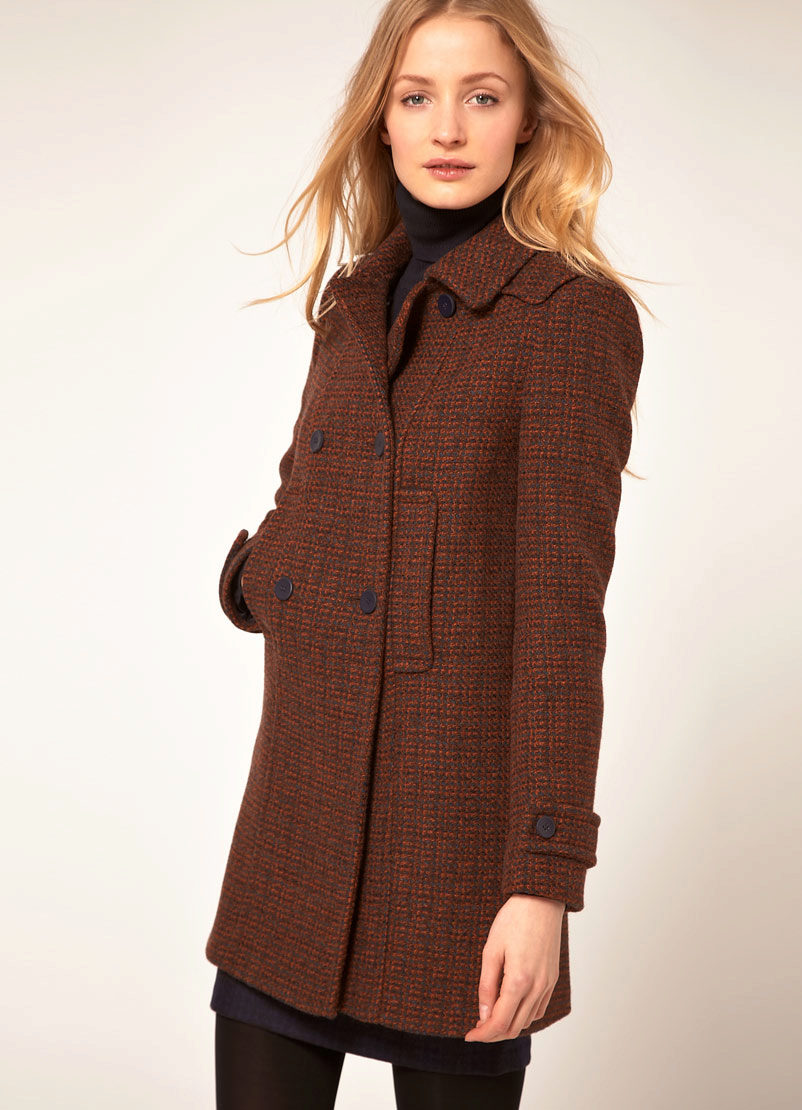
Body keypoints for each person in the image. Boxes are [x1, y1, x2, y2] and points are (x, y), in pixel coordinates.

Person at [206, 2, 648, 1107]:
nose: (447, 127)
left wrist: (542, 884)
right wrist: (264, 580)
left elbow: (561, 620)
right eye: (418, 96)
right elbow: (310, 493)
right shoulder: (355, 298)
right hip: (296, 820)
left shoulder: (570, 318)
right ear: (383, 120)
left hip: (452, 850)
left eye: (481, 96)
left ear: (528, 121)